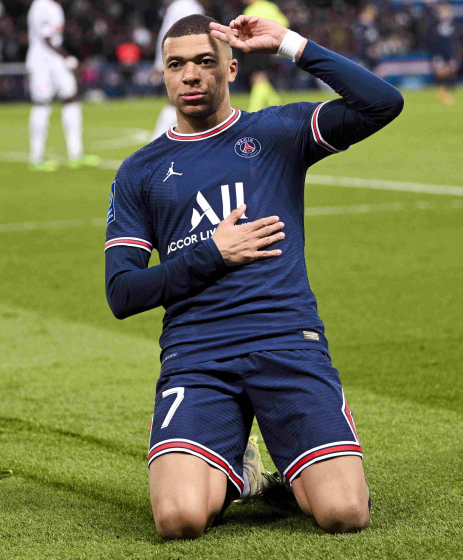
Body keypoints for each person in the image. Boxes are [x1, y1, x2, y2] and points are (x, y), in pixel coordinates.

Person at [103, 13, 403, 538]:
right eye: (176, 65)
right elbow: (122, 293)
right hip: (197, 355)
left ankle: (297, 465)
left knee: (344, 513)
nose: (190, 75)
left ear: (231, 68)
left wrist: (289, 44)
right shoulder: (140, 171)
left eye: (204, 61)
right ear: (163, 74)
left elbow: (382, 103)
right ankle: (240, 472)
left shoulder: (277, 132)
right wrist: (214, 253)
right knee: (178, 519)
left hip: (287, 342)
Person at [25, 0, 99, 171]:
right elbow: (47, 38)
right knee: (42, 103)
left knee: (71, 97)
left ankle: (76, 154)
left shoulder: (47, 6)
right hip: (42, 61)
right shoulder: (45, 6)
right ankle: (36, 158)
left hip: (52, 59)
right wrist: (68, 58)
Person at [151, 0, 207, 140]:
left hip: (177, 59)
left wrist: (159, 62)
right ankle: (158, 139)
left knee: (181, 101)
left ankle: (159, 139)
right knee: (184, 100)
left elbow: (164, 34)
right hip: (185, 59)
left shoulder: (179, 5)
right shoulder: (188, 7)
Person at [241, 0, 289, 111]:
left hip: (255, 47)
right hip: (265, 47)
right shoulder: (270, 6)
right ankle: (277, 105)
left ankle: (253, 110)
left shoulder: (250, 10)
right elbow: (284, 23)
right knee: (261, 80)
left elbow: (246, 32)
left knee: (258, 79)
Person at [429, 2, 459, 106]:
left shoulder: (454, 26)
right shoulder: (434, 26)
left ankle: (448, 92)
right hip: (439, 54)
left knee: (451, 71)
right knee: (441, 73)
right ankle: (443, 92)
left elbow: (456, 40)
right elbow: (432, 41)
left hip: (451, 54)